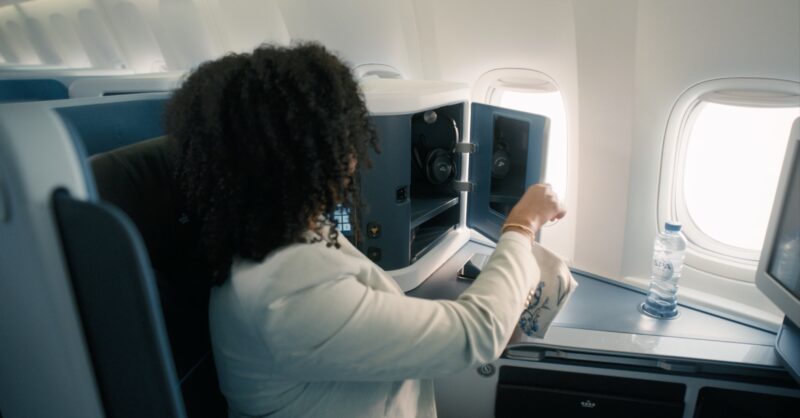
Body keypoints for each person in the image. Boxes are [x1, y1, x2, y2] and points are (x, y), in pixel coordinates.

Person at [165, 42, 565, 418]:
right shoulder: (286, 293)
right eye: (345, 137)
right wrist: (521, 224)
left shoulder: (277, 233)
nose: (356, 155)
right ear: (303, 156)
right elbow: (476, 334)